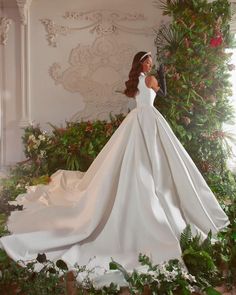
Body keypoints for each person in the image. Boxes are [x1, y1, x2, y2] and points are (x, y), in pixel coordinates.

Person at [0, 51, 229, 287]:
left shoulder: (135, 82)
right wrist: (161, 78)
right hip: (148, 120)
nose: (150, 63)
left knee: (146, 160)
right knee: (147, 160)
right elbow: (163, 94)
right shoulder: (150, 79)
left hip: (139, 120)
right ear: (142, 63)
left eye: (150, 60)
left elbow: (143, 96)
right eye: (147, 61)